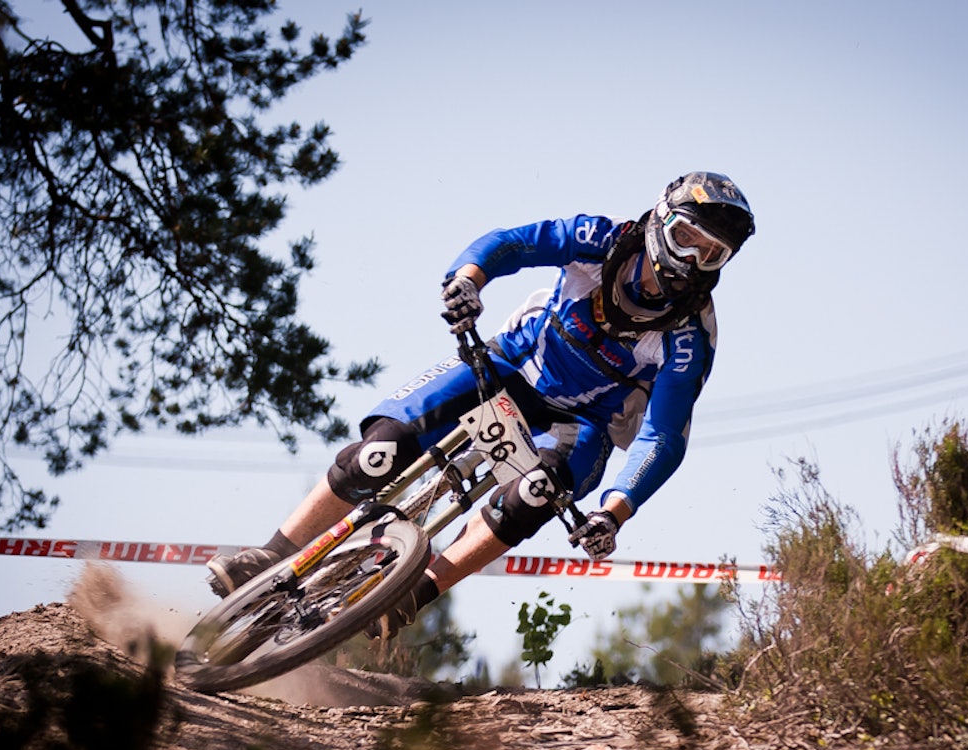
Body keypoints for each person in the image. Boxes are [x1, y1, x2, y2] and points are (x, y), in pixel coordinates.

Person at [206, 171, 756, 639]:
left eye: (713, 253)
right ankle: (271, 553)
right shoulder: (603, 239)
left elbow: (662, 437)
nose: (695, 259)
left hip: (580, 420)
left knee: (537, 493)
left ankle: (410, 597)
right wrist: (469, 282)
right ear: (660, 221)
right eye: (687, 238)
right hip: (507, 366)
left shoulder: (691, 335)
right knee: (377, 455)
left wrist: (612, 512)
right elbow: (511, 243)